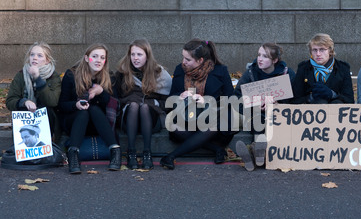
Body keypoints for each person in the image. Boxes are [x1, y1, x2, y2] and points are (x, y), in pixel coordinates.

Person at [160, 39, 235, 169]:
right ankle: (217, 149)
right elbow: (170, 98)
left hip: (213, 119)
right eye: (183, 57)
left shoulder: (220, 71)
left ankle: (171, 156)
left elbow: (230, 99)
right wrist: (180, 96)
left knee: (213, 126)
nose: (183, 62)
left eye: (188, 59)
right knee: (173, 126)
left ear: (200, 60)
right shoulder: (180, 69)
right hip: (187, 118)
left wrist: (207, 101)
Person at [58, 43, 121, 174]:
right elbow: (62, 105)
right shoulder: (71, 75)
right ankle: (73, 155)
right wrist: (76, 105)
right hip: (74, 121)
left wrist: (101, 92)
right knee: (84, 111)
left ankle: (115, 150)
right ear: (87, 58)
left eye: (102, 57)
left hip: (98, 124)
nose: (98, 60)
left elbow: (113, 104)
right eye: (95, 56)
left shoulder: (109, 76)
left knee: (92, 109)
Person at [233, 42, 296, 171]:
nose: (259, 59)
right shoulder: (250, 73)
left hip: (279, 116)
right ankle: (258, 155)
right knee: (259, 120)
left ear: (275, 60)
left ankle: (252, 154)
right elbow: (236, 98)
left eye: (265, 56)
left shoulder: (287, 73)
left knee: (269, 121)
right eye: (259, 55)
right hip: (255, 115)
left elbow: (296, 99)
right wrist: (255, 104)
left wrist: (277, 105)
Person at [113, 39, 172, 170]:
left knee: (144, 106)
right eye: (132, 54)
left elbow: (167, 102)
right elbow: (116, 99)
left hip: (151, 120)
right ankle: (131, 152)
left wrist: (149, 102)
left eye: (139, 54)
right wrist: (134, 99)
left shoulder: (159, 73)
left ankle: (147, 153)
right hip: (128, 119)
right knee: (134, 105)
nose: (135, 58)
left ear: (147, 56)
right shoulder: (122, 73)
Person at [6, 42, 61, 142]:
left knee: (48, 110)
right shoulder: (21, 75)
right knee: (23, 109)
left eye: (39, 55)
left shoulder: (54, 76)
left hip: (47, 119)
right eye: (32, 54)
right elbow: (10, 101)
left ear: (47, 60)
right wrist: (24, 102)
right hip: (26, 118)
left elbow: (52, 101)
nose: (34, 58)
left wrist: (37, 78)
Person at [291, 33, 354, 105]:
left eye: (322, 50)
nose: (318, 54)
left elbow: (349, 99)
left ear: (330, 51)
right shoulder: (303, 68)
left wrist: (332, 95)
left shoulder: (342, 68)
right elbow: (295, 100)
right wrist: (310, 98)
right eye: (314, 50)